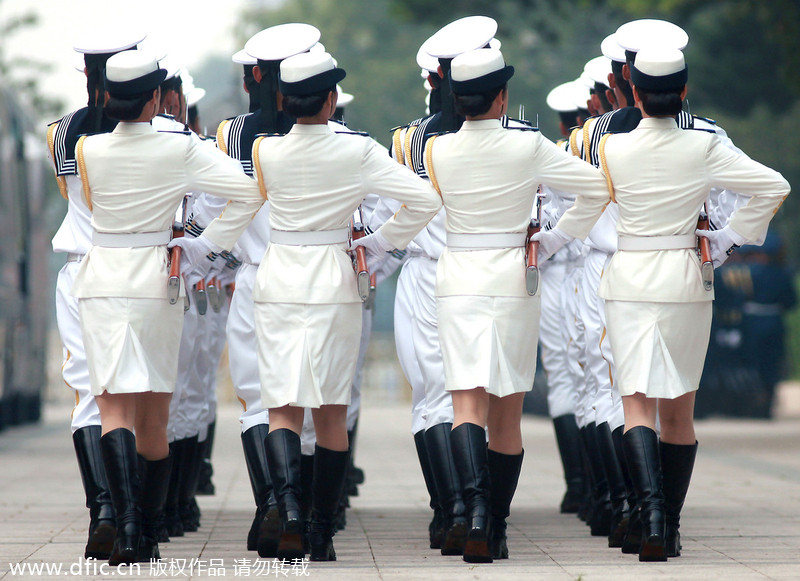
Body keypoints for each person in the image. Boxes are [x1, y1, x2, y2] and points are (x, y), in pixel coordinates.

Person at [537, 47, 790, 561]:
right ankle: (669, 522)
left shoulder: (611, 148)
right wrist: (725, 239)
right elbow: (773, 185)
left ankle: (650, 517)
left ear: (632, 88)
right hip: (684, 278)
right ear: (684, 92)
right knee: (679, 407)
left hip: (627, 277)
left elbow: (581, 207)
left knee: (635, 402)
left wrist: (549, 242)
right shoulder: (704, 145)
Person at [71, 50, 264, 564]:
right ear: (157, 97)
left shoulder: (87, 150)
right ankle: (146, 531)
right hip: (157, 277)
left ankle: (125, 524)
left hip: (103, 279)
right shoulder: (178, 147)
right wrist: (203, 247)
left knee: (112, 406)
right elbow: (247, 193)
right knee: (155, 413)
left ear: (108, 98)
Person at [423, 47, 609, 563]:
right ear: (501, 96)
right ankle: (492, 522)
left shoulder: (435, 150)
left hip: (458, 276)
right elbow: (595, 189)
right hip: (511, 275)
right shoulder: (528, 146)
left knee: (464, 406)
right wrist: (551, 240)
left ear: (457, 100)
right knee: (506, 413)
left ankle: (474, 509)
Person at [46, 25, 147, 563]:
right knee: (136, 398)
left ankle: (103, 512)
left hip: (82, 269)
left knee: (90, 395)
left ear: (86, 72)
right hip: (139, 267)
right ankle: (138, 519)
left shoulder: (63, 133)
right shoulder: (162, 132)